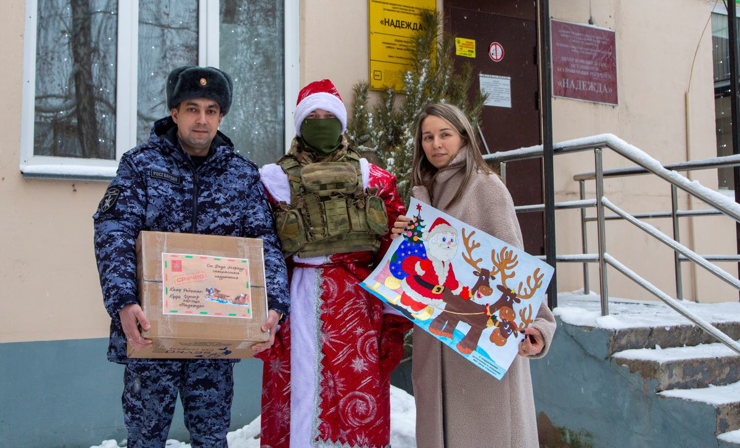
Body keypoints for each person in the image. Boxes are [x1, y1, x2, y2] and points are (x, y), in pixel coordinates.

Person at [93, 65, 289, 448]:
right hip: (151, 336)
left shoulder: (241, 175)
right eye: (192, 108)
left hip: (216, 339)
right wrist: (123, 301)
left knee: (212, 437)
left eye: (211, 110)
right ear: (174, 113)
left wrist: (275, 302)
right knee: (145, 438)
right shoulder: (141, 165)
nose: (202, 120)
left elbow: (264, 240)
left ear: (221, 116)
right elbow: (113, 230)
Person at [257, 79, 411, 448]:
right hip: (294, 305)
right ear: (299, 123)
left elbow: (397, 256)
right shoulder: (271, 180)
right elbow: (256, 254)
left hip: (359, 309)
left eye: (330, 116)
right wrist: (258, 318)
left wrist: (392, 325)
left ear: (342, 123)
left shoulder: (374, 179)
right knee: (296, 400)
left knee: (356, 408)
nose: (322, 123)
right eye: (313, 117)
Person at [391, 103, 557, 448]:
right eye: (428, 137)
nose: (436, 144)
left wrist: (540, 323)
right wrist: (401, 243)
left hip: (480, 348)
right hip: (436, 341)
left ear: (464, 137)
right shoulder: (423, 193)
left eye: (445, 134)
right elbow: (420, 276)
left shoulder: (486, 188)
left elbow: (514, 263)